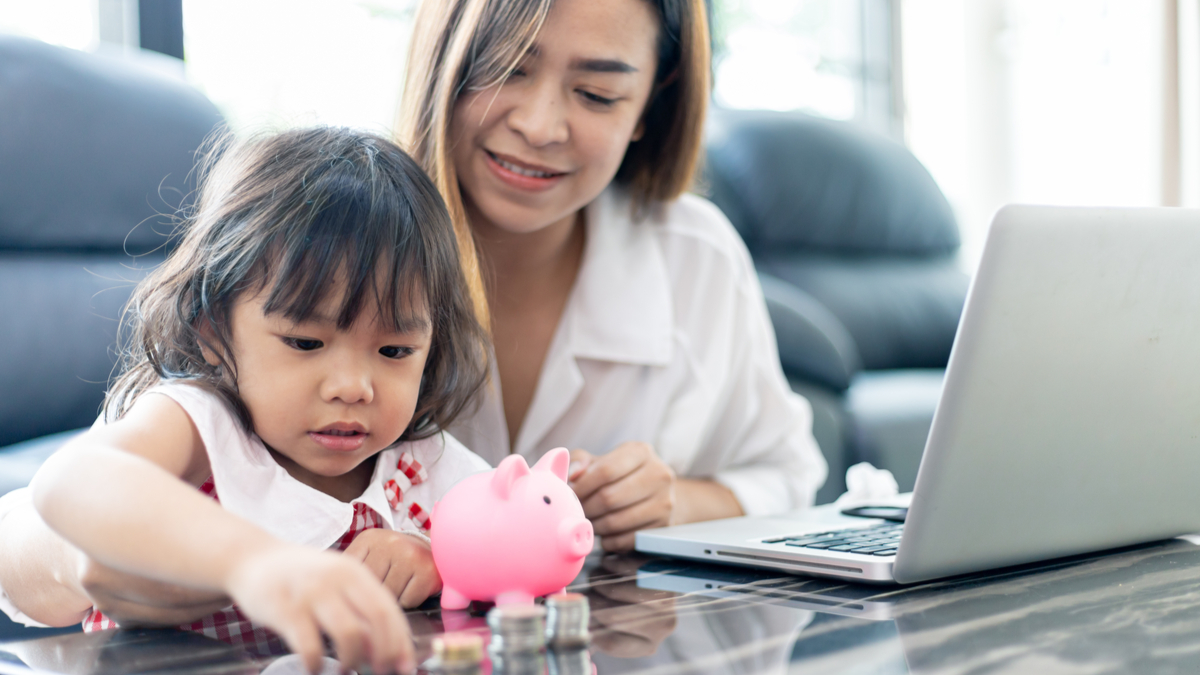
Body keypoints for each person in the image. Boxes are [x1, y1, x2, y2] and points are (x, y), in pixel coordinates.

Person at [10, 126, 492, 674]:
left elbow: (527, 545)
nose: (354, 386)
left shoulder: (420, 461)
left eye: (395, 350)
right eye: (306, 343)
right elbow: (71, 480)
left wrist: (440, 564)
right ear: (214, 329)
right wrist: (253, 563)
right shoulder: (200, 426)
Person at [397, 0, 828, 552]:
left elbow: (789, 477)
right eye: (505, 68)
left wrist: (674, 505)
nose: (539, 126)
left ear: (651, 101)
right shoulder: (337, 241)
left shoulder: (695, 255)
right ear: (443, 56)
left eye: (597, 95)